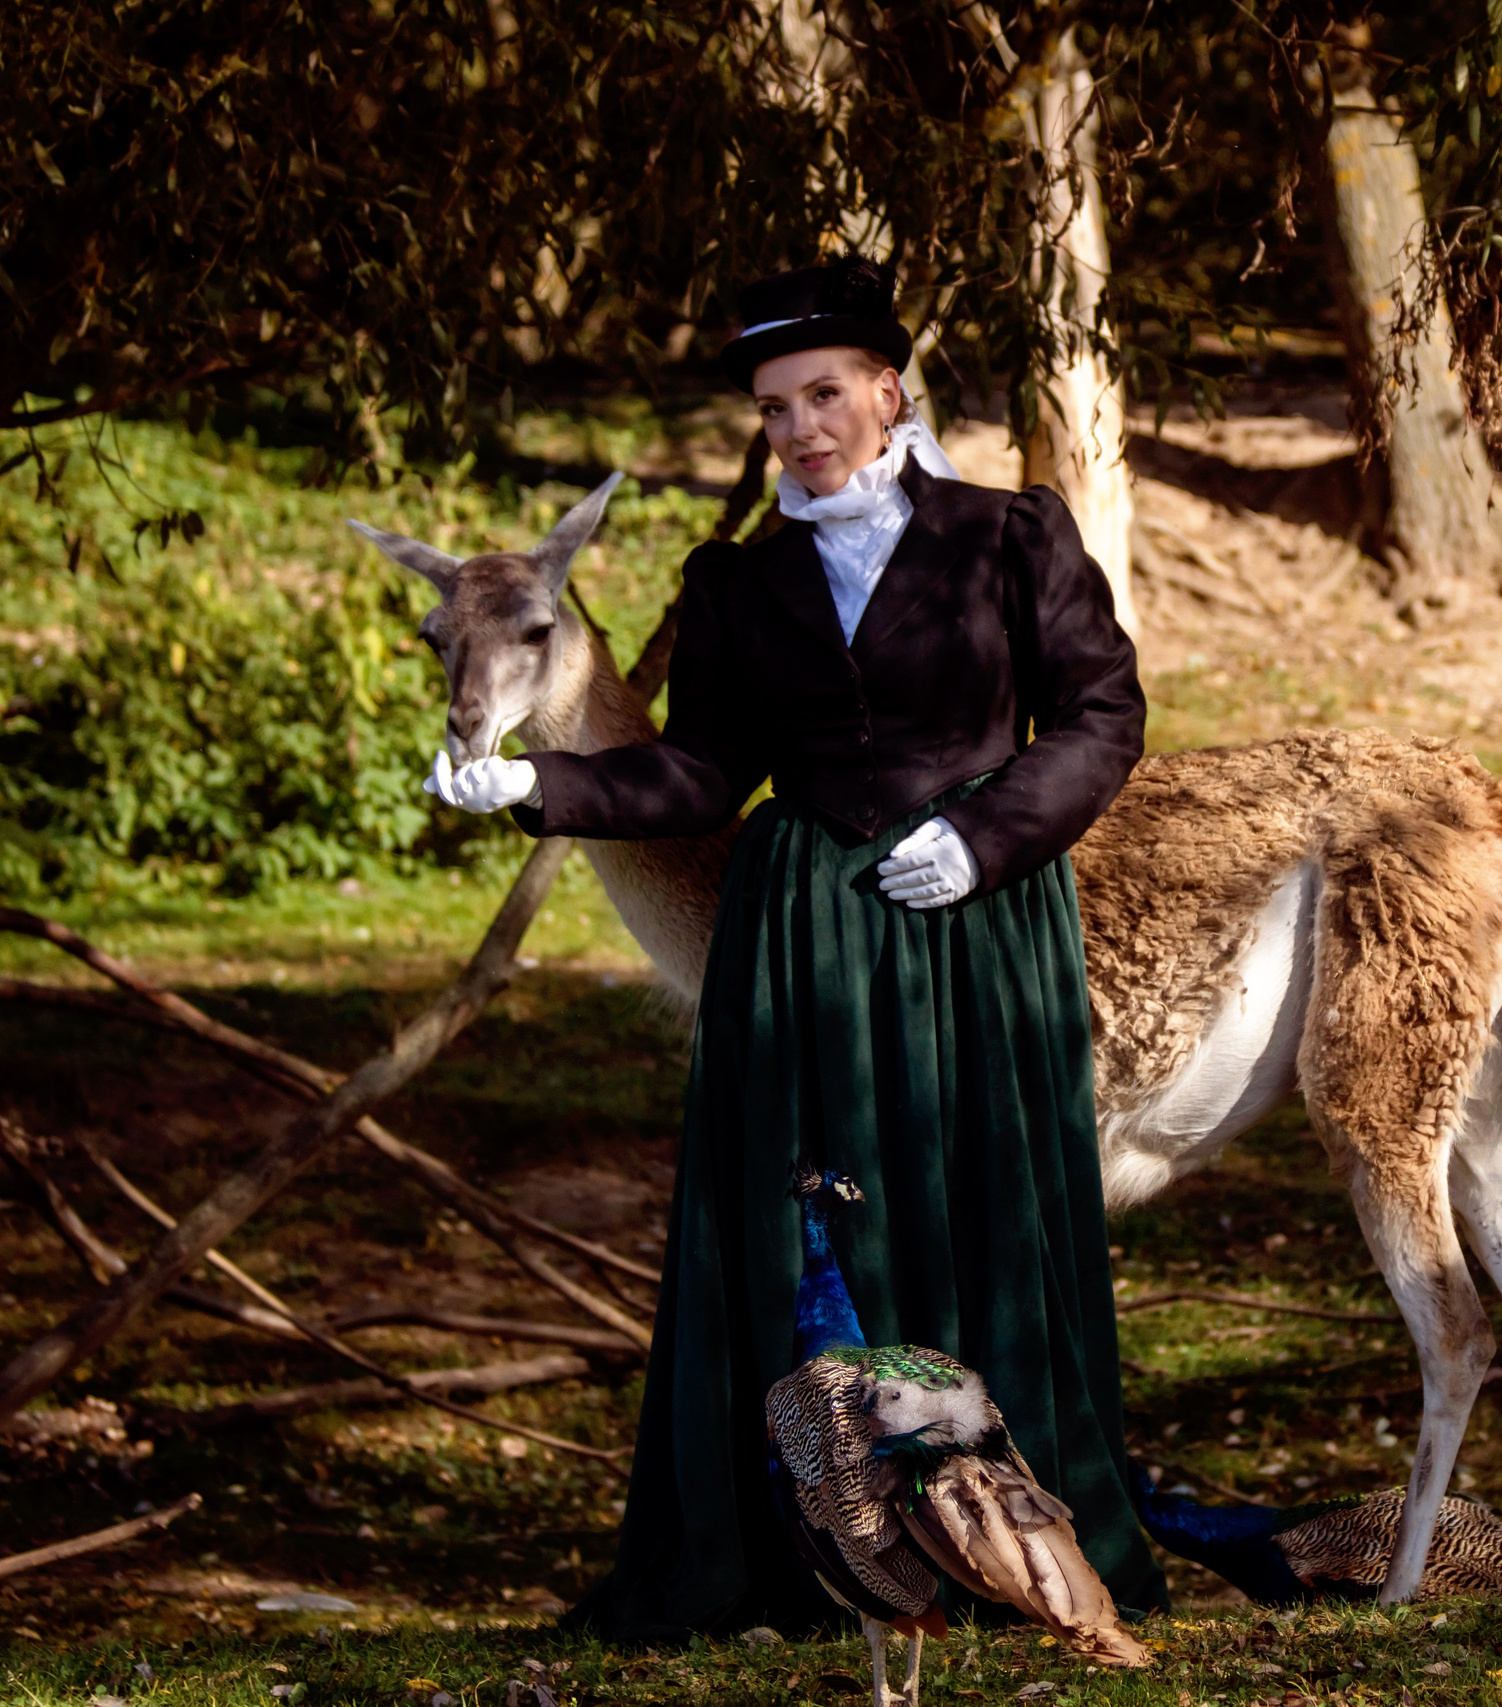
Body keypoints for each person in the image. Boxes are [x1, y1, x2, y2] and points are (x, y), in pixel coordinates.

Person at [421, 256, 1167, 1642]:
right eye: (774, 409)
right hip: (801, 934)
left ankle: (1017, 1536)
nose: (802, 428)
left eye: (824, 394)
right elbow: (700, 775)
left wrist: (993, 834)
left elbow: (1104, 718)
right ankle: (819, 1550)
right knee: (813, 1222)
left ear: (886, 392)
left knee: (982, 1204)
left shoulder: (1013, 537)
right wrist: (541, 789)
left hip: (978, 929)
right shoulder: (739, 583)